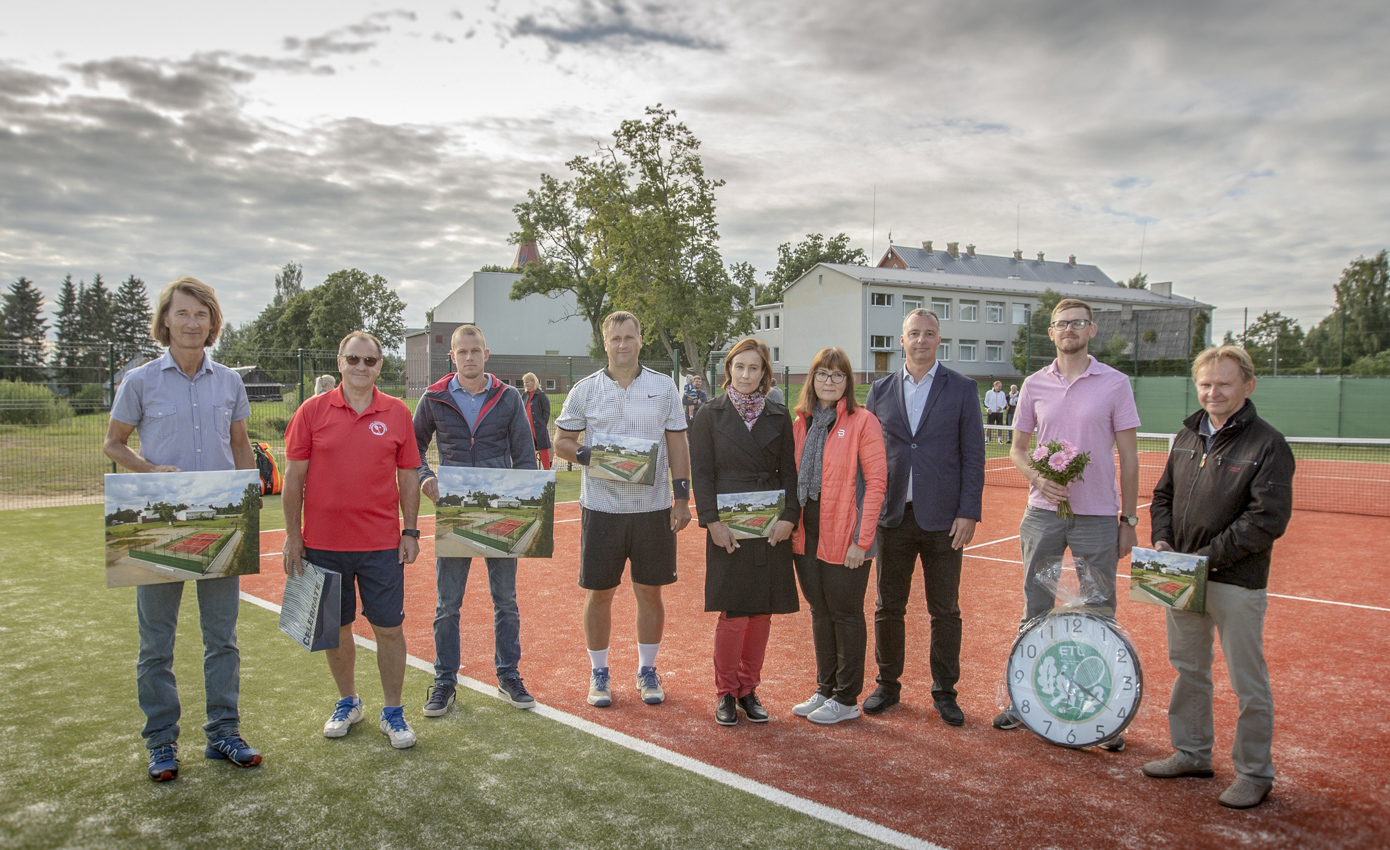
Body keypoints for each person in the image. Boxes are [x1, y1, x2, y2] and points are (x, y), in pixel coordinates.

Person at [103, 277, 262, 781]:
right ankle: (161, 743)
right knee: (157, 642)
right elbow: (114, 444)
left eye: (202, 314)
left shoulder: (229, 382)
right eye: (183, 313)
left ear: (213, 322)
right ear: (165, 320)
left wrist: (249, 497)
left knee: (223, 639)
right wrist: (150, 472)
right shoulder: (141, 380)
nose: (192, 323)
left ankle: (223, 734)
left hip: (220, 519)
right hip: (160, 519)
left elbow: (240, 445)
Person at [1143, 345, 1294, 810]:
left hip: (1235, 581)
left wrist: (1205, 559)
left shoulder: (1268, 444)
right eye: (1206, 384)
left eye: (1224, 384)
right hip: (1181, 573)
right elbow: (1163, 495)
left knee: (1248, 682)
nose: (1214, 392)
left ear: (1247, 386)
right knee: (1188, 668)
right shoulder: (1186, 436)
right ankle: (1191, 752)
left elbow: (1266, 520)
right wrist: (1165, 543)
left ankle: (1254, 772)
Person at [994, 298, 1140, 752]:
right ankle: (1025, 702)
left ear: (1091, 330)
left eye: (1077, 323)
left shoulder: (1115, 383)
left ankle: (1105, 716)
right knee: (1034, 610)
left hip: (1098, 517)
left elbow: (1131, 458)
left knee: (1099, 613)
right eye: (1061, 324)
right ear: (1052, 332)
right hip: (1042, 514)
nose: (1069, 330)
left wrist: (1129, 518)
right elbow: (1017, 449)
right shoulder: (1034, 384)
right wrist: (1039, 478)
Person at [282, 331, 423, 749]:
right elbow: (294, 479)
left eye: (371, 360)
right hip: (323, 545)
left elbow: (409, 475)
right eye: (354, 359)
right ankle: (349, 702)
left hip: (380, 545)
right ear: (340, 362)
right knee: (336, 629)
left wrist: (410, 531)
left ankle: (393, 712)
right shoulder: (311, 412)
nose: (362, 367)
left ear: (381, 366)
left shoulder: (397, 413)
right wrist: (294, 536)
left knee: (389, 629)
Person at [553, 311, 692, 707]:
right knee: (600, 593)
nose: (623, 344)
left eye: (629, 337)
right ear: (605, 342)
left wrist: (681, 498)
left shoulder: (665, 388)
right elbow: (562, 439)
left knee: (650, 592)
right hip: (601, 508)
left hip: (652, 509)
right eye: (615, 338)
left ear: (641, 339)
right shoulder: (585, 390)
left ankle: (647, 670)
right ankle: (599, 673)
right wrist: (590, 456)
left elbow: (678, 444)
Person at [864, 309, 985, 725]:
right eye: (914, 333)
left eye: (929, 333)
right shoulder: (879, 390)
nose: (921, 340)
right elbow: (869, 457)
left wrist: (969, 512)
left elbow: (974, 455)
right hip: (892, 516)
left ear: (939, 340)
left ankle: (945, 692)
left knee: (945, 610)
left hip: (944, 521)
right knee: (887, 607)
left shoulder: (963, 389)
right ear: (902, 339)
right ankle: (887, 684)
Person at [415, 326, 538, 718]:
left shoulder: (509, 397)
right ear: (452, 356)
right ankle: (445, 680)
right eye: (461, 351)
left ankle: (509, 675)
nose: (469, 357)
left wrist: (523, 513)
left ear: (487, 353)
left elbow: (525, 456)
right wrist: (424, 476)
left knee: (506, 601)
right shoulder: (433, 397)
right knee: (447, 605)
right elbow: (412, 447)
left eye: (475, 351)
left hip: (501, 508)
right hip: (454, 510)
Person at [689, 338, 799, 726]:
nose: (746, 374)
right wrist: (712, 522)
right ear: (729, 370)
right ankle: (725, 692)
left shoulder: (779, 415)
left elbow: (790, 471)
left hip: (770, 524)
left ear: (764, 372)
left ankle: (748, 690)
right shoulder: (708, 415)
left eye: (754, 368)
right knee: (734, 613)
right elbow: (701, 474)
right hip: (729, 526)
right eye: (740, 367)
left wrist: (790, 516)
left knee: (761, 613)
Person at [790, 347, 888, 725]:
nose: (829, 382)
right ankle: (825, 687)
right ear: (812, 380)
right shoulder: (802, 423)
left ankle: (847, 698)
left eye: (837, 375)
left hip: (846, 537)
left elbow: (877, 484)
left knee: (845, 614)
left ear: (848, 382)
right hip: (807, 535)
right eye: (822, 374)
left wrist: (861, 543)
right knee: (820, 612)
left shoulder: (864, 422)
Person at [522, 371, 553, 470]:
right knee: (529, 451)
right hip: (527, 427)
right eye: (524, 382)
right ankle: (533, 472)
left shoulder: (541, 395)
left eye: (527, 382)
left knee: (543, 451)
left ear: (533, 382)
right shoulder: (524, 395)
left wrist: (543, 423)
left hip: (539, 428)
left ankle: (547, 473)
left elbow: (546, 411)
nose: (525, 384)